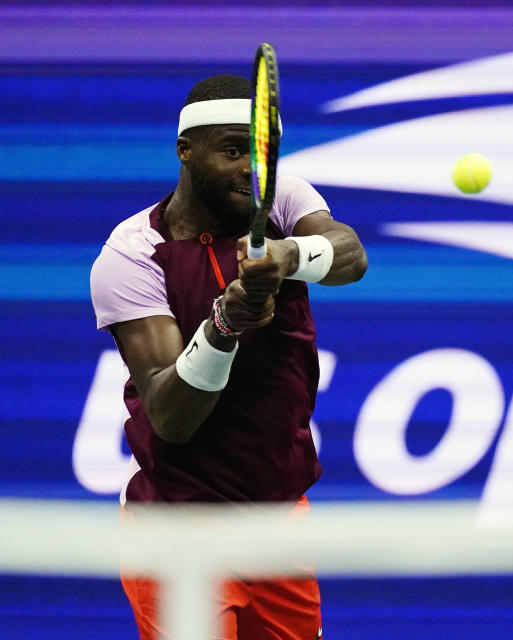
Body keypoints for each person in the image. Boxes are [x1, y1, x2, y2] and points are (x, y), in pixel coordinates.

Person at [90, 74, 367, 640]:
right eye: (232, 151)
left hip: (278, 523)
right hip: (178, 532)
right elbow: (171, 416)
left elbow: (350, 255)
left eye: (260, 153)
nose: (250, 169)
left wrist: (290, 254)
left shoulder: (284, 200)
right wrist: (224, 326)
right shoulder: (132, 255)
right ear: (185, 151)